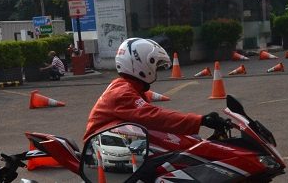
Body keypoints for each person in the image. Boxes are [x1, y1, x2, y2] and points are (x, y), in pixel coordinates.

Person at [84, 37, 228, 141]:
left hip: (106, 143)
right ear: (141, 64)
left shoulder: (126, 86)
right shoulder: (122, 93)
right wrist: (200, 120)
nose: (156, 70)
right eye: (155, 65)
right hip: (100, 147)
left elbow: (153, 116)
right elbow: (155, 117)